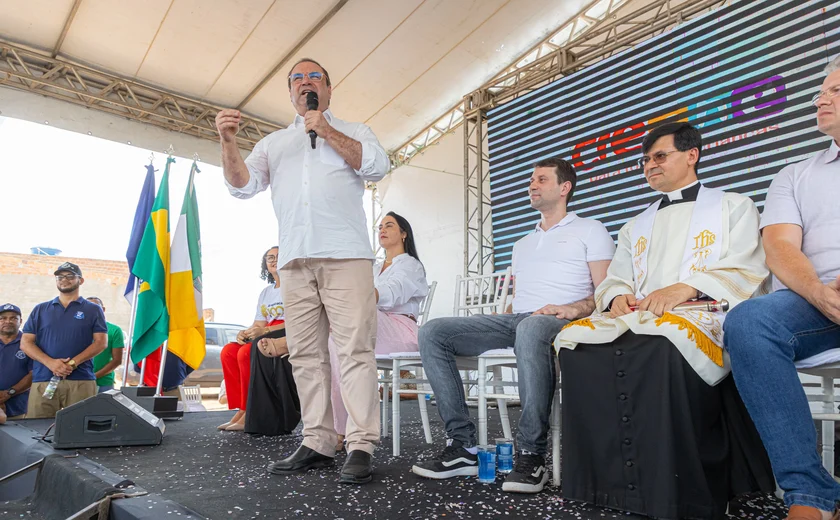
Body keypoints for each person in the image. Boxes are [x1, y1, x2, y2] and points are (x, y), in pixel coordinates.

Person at [555, 122, 774, 519]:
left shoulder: (733, 206)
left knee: (662, 345)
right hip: (641, 314)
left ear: (691, 155)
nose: (649, 166)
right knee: (576, 344)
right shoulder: (635, 224)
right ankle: (601, 486)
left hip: (705, 310)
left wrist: (686, 288)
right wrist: (617, 295)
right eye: (645, 160)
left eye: (660, 156)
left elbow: (747, 265)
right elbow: (617, 276)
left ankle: (677, 490)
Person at [216, 57, 389, 484]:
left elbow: (376, 167)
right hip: (295, 261)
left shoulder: (355, 131)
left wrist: (325, 130)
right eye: (297, 79)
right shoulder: (274, 143)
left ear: (328, 91)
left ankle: (361, 442)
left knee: (353, 352)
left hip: (347, 254)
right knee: (306, 356)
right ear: (289, 93)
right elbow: (242, 187)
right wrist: (227, 141)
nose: (305, 83)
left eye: (315, 77)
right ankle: (317, 440)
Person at [411, 157, 615, 494]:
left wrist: (569, 308)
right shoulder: (522, 244)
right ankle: (462, 447)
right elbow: (518, 300)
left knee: (532, 328)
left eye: (542, 180)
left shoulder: (590, 229)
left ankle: (532, 455)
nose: (532, 185)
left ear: (564, 188)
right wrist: (503, 319)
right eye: (531, 180)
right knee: (434, 331)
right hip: (519, 319)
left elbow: (605, 293)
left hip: (564, 319)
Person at [723, 56, 840, 520]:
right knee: (750, 321)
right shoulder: (795, 174)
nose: (820, 98)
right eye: (821, 90)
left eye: (835, 91)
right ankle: (811, 496)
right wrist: (820, 292)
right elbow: (778, 246)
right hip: (815, 302)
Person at [330, 211, 429, 450]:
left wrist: (357, 296)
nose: (382, 229)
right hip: (367, 325)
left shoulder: (411, 265)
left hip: (400, 330)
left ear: (404, 233)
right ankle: (340, 428)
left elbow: (392, 293)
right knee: (335, 343)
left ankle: (342, 430)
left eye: (390, 225)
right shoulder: (372, 267)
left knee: (343, 324)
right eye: (380, 226)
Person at [216, 247, 291, 433]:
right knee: (229, 351)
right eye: (270, 258)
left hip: (284, 332)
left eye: (278, 257)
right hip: (266, 331)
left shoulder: (295, 287)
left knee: (245, 352)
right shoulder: (266, 292)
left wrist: (265, 330)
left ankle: (249, 409)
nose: (274, 261)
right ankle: (242, 408)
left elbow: (296, 320)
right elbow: (258, 323)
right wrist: (246, 333)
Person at [21, 262, 107, 418]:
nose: (64, 279)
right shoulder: (41, 309)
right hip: (43, 380)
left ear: (80, 280)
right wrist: (50, 363)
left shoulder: (93, 309)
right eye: (60, 276)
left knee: (79, 431)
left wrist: (72, 364)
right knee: (37, 431)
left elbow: (101, 342)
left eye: (70, 276)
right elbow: (26, 343)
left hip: (81, 380)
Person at [86, 297, 125, 393]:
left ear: (103, 309)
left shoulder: (114, 330)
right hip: (80, 382)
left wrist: (94, 376)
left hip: (104, 383)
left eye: (96, 307)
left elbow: (117, 360)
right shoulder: (78, 330)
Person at [0, 304, 32, 420]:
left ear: (21, 321)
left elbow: (33, 373)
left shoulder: (30, 343)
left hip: (18, 407)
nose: (8, 321)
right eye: (2, 318)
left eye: (13, 318)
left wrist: (8, 393)